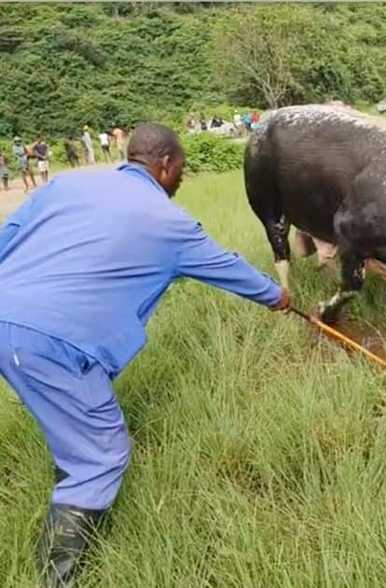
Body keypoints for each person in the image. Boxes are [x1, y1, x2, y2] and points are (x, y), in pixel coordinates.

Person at [0, 123, 290, 586]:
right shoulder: (170, 223)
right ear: (166, 164)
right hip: (52, 341)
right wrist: (278, 297)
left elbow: (7, 235)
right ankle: (53, 578)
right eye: (182, 171)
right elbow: (225, 266)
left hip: (8, 316)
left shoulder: (69, 184)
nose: (181, 181)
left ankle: (70, 474)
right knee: (102, 451)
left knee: (76, 419)